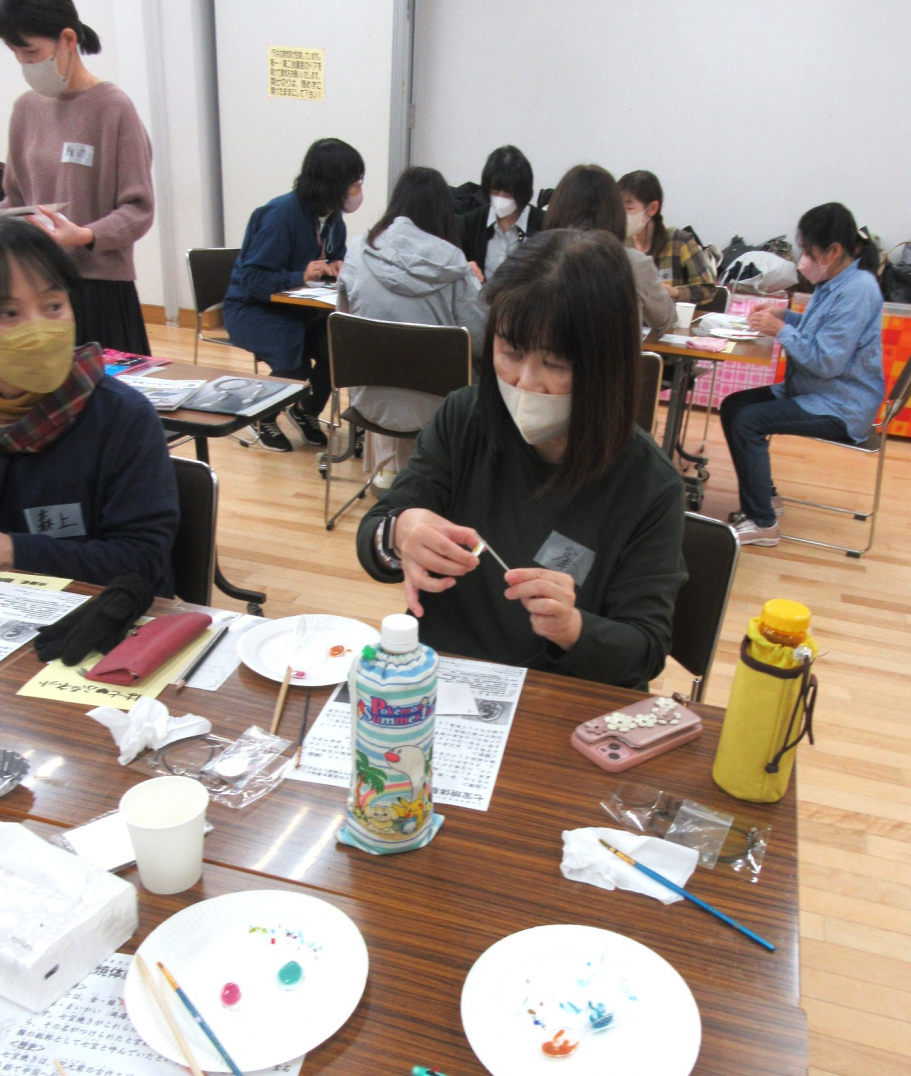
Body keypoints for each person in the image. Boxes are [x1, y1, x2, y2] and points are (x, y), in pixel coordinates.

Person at [356, 229, 686, 689]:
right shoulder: (464, 419)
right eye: (511, 351)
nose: (526, 381)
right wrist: (399, 531)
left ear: (605, 366)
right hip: (446, 680)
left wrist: (573, 627)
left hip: (559, 696)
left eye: (556, 364)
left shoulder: (648, 484)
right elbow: (375, 533)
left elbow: (645, 650)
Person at [0, 218, 178, 593]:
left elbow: (142, 560)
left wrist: (13, 551)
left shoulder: (122, 417)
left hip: (98, 615)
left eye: (53, 306)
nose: (38, 330)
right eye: (9, 313)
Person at [0, 0, 155, 355]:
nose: (23, 63)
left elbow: (138, 211)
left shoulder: (113, 108)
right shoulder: (25, 109)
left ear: (67, 39)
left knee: (105, 392)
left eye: (30, 53)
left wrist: (83, 235)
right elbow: (14, 199)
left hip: (100, 292)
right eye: (15, 54)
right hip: (36, 291)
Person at [720, 202, 883, 547]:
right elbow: (817, 331)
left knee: (748, 421)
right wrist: (784, 316)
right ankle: (765, 497)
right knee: (734, 406)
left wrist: (779, 329)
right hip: (816, 391)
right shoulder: (836, 281)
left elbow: (826, 361)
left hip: (841, 406)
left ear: (833, 251)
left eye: (808, 252)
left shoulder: (858, 291)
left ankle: (763, 523)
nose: (802, 260)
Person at [336, 165, 486, 490]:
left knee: (385, 366)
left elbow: (344, 327)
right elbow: (480, 339)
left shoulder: (358, 249)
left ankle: (387, 471)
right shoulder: (454, 263)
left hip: (368, 402)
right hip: (438, 411)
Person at [222, 137, 364, 452]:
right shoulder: (279, 215)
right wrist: (298, 276)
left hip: (298, 310)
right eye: (354, 182)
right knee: (293, 356)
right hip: (252, 309)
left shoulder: (334, 220)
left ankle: (305, 411)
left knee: (336, 346)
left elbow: (332, 260)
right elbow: (253, 279)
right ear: (332, 183)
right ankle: (263, 416)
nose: (358, 189)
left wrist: (336, 268)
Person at [542, 164, 674, 333]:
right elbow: (665, 319)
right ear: (614, 211)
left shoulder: (536, 255)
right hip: (614, 350)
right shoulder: (634, 263)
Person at [618, 170, 716, 307]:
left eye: (629, 208)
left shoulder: (680, 241)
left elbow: (708, 291)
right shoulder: (619, 243)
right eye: (619, 208)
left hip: (671, 318)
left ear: (652, 208)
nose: (622, 215)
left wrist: (675, 292)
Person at [457, 145, 544, 282]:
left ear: (522, 193)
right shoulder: (470, 223)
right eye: (495, 192)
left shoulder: (544, 224)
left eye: (508, 195)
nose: (500, 200)